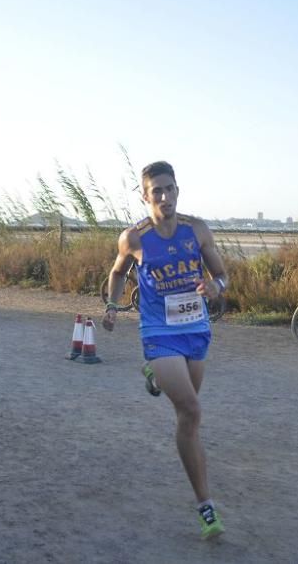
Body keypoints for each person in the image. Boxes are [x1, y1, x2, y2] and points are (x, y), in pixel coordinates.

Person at [101, 161, 228, 540]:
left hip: (196, 330)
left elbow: (221, 274)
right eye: (156, 190)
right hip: (158, 331)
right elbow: (118, 271)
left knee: (186, 420)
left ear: (177, 191)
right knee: (191, 408)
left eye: (169, 188)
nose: (164, 196)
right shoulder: (134, 238)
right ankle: (205, 504)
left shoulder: (197, 229)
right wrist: (112, 304)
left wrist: (217, 287)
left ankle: (156, 375)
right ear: (145, 196)